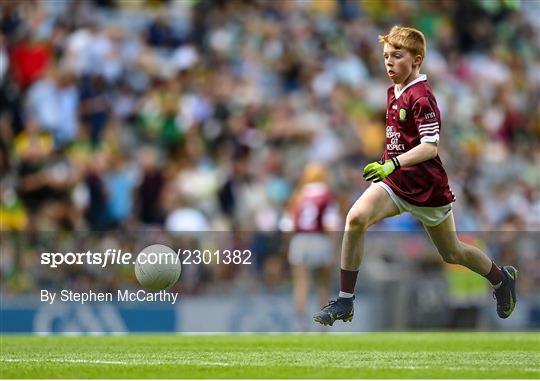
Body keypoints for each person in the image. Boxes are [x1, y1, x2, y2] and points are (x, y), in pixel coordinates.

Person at [313, 26, 517, 326]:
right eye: (386, 57)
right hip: (396, 184)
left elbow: (430, 147)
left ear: (417, 60)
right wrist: (389, 167)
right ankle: (345, 301)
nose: (389, 62)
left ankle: (502, 278)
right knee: (355, 218)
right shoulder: (392, 91)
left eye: (397, 56)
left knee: (453, 253)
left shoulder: (421, 96)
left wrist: (391, 164)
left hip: (427, 189)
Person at [286, 163, 341, 330]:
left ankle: (301, 326)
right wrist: (334, 247)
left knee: (301, 285)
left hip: (300, 239)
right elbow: (331, 225)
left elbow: (287, 225)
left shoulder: (298, 195)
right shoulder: (326, 195)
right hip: (319, 240)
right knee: (322, 285)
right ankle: (322, 327)